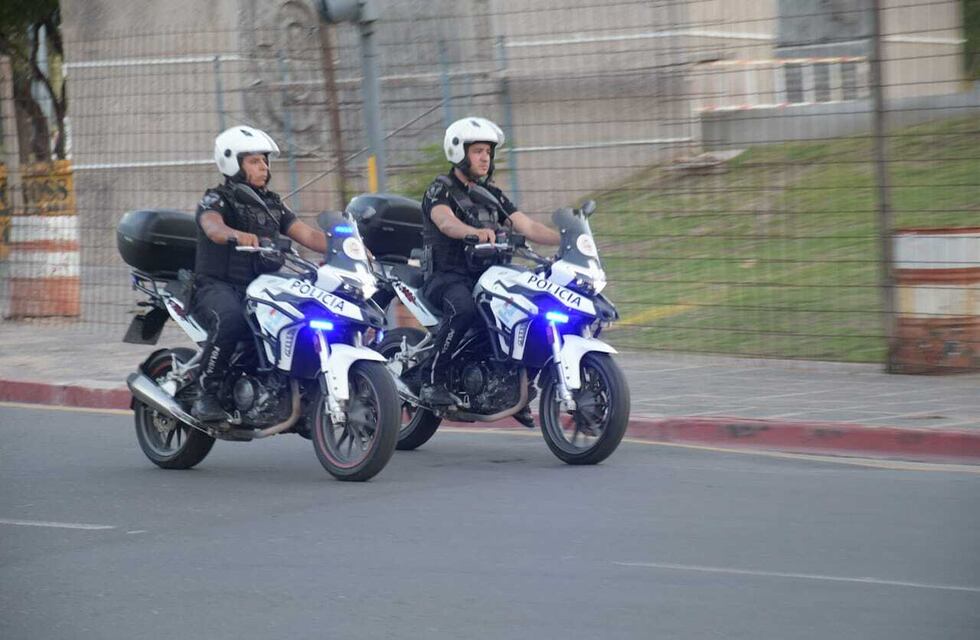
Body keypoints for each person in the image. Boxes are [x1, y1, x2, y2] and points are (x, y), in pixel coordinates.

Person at [420, 117, 561, 427]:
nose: (485, 157)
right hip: (447, 277)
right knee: (465, 309)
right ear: (459, 153)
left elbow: (528, 226)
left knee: (529, 311)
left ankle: (512, 389)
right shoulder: (440, 189)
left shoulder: (492, 194)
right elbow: (445, 222)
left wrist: (567, 238)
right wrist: (473, 232)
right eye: (478, 151)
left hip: (489, 276)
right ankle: (434, 379)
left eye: (488, 151)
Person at [191, 125, 329, 421]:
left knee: (300, 318)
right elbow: (212, 227)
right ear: (233, 163)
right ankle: (207, 393)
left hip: (261, 287)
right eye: (254, 161)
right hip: (216, 286)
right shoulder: (217, 199)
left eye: (265, 161)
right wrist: (237, 235)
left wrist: (346, 246)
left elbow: (306, 233)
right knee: (231, 321)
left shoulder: (272, 204)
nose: (264, 167)